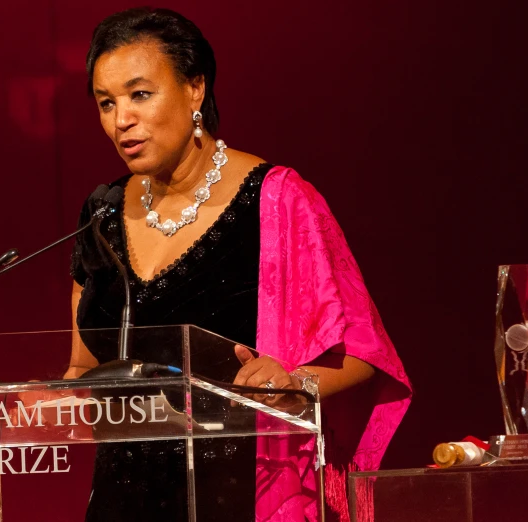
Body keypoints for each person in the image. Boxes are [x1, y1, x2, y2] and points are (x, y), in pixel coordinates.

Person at [67, 7, 411, 522]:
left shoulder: (278, 201)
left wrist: (296, 381)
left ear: (194, 89)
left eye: (140, 94)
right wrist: (40, 399)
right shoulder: (100, 212)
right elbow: (83, 369)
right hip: (123, 499)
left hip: (242, 493)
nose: (121, 120)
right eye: (105, 102)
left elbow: (364, 353)